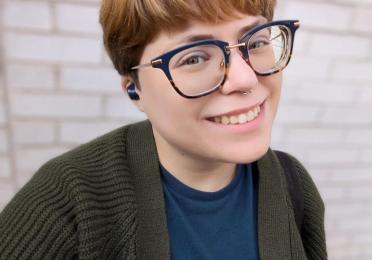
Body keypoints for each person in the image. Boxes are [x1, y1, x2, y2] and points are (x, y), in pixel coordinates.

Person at [0, 0, 327, 259]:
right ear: (135, 90)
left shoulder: (293, 185)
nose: (245, 79)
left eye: (255, 42)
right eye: (194, 58)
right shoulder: (68, 199)